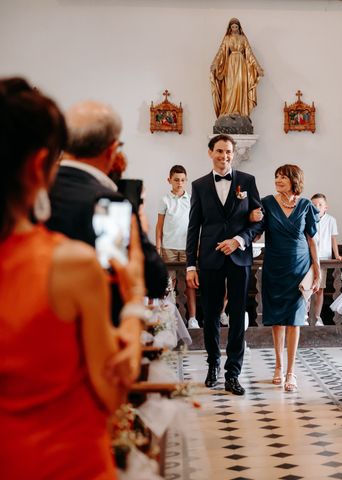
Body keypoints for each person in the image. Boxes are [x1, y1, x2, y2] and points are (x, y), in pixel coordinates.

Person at [0, 77, 144, 479]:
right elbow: (111, 390)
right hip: (64, 460)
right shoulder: (72, 261)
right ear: (37, 166)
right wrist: (133, 304)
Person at [46, 100, 168, 322]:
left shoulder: (31, 192)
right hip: (93, 330)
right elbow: (154, 280)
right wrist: (138, 221)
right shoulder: (108, 203)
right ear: (112, 150)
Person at [186, 134, 263, 395]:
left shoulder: (247, 181)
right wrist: (190, 265)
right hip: (209, 258)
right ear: (210, 153)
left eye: (228, 152)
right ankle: (213, 365)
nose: (225, 156)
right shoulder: (198, 185)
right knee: (210, 315)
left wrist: (239, 240)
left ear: (233, 153)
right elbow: (193, 227)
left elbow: (258, 220)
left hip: (239, 257)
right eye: (220, 151)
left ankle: (233, 373)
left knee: (239, 316)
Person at [249, 165, 320, 392]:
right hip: (275, 266)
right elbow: (256, 232)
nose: (278, 180)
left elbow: (311, 239)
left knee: (295, 319)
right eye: (276, 176)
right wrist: (249, 219)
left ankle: (291, 371)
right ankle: (278, 366)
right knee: (277, 320)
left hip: (299, 267)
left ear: (294, 180)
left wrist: (316, 268)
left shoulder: (306, 205)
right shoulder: (267, 203)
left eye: (283, 177)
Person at [156, 164, 198, 328]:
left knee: (190, 283)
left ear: (186, 180)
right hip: (169, 248)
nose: (179, 183)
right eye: (176, 180)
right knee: (169, 284)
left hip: (187, 247)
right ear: (169, 180)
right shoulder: (165, 200)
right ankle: (168, 318)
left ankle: (192, 318)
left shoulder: (192, 199)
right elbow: (159, 226)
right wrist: (158, 248)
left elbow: (196, 224)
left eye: (182, 180)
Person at [210, 18, 264, 118]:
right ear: (230, 28)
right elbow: (221, 52)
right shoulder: (227, 38)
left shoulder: (243, 38)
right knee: (229, 87)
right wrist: (215, 63)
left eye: (236, 26)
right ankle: (228, 111)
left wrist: (258, 68)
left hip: (241, 66)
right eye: (232, 26)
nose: (234, 28)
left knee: (239, 85)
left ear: (239, 27)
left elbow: (250, 54)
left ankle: (239, 111)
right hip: (230, 65)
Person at [309, 193, 342, 326]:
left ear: (326, 207)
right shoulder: (307, 219)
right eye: (314, 205)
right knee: (307, 289)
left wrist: (337, 255)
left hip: (324, 258)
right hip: (308, 259)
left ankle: (317, 316)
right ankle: (305, 315)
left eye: (320, 204)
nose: (317, 207)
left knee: (320, 289)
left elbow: (333, 239)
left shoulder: (331, 220)